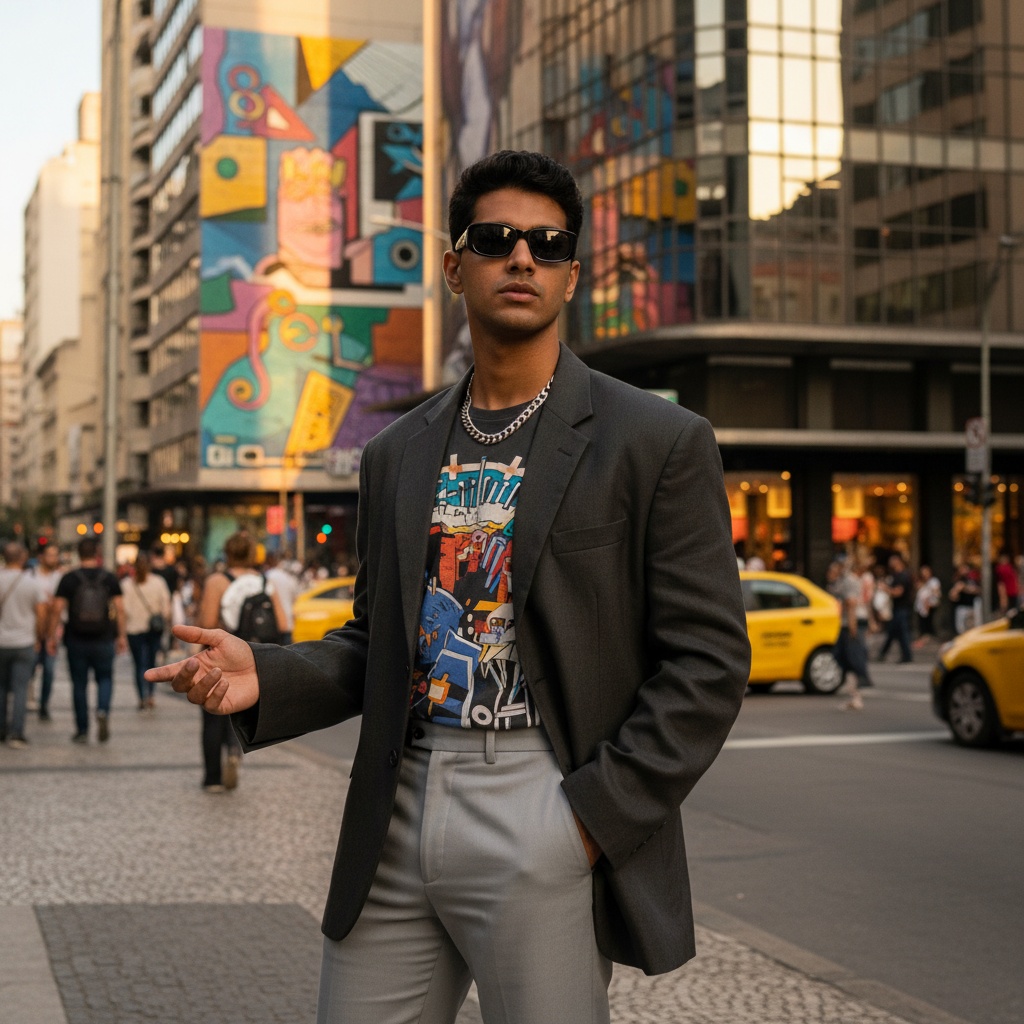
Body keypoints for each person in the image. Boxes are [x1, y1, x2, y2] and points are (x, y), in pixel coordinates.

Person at [148, 150, 750, 1024]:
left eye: (547, 245)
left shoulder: (655, 440)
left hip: (542, 806)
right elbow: (380, 640)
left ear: (571, 275)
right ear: (452, 264)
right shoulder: (397, 451)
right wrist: (266, 675)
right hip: (398, 803)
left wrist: (586, 821)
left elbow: (708, 663)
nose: (521, 258)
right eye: (496, 238)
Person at [193, 531, 287, 792]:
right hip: (252, 655)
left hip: (222, 655)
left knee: (212, 715)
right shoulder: (264, 582)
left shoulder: (217, 581)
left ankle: (212, 778)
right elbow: (281, 623)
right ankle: (234, 750)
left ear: (228, 552)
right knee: (239, 709)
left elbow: (207, 624)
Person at [49, 538, 127, 744]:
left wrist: (51, 637)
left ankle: (82, 729)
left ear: (78, 553)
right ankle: (102, 711)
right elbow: (119, 609)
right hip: (103, 638)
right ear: (97, 552)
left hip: (76, 639)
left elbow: (57, 609)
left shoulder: (69, 579)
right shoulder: (109, 577)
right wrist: (121, 636)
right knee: (105, 678)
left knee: (79, 684)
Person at [0, 542, 50, 747]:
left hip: (1, 642)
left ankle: (1, 730)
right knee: (21, 688)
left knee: (1, 688)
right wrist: (39, 637)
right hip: (24, 642)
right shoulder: (32, 583)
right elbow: (41, 614)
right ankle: (17, 733)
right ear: (22, 558)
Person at [121, 553, 173, 711]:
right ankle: (150, 694)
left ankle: (141, 697)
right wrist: (166, 622)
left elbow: (123, 610)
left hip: (134, 629)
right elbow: (166, 607)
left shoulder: (126, 584)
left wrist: (121, 633)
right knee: (151, 662)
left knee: (138, 664)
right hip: (153, 629)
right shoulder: (158, 582)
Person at [826, 558, 872, 711]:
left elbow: (851, 603)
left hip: (849, 626)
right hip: (848, 625)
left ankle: (857, 694)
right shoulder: (846, 581)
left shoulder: (850, 581)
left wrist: (852, 626)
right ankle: (854, 696)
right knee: (846, 660)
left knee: (851, 659)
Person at [29, 543, 63, 721]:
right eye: (50, 555)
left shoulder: (60, 577)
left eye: (55, 555)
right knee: (30, 668)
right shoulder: (30, 576)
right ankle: (28, 696)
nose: (53, 558)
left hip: (53, 631)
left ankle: (44, 704)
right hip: (32, 631)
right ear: (41, 556)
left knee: (49, 670)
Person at [877, 553, 913, 663]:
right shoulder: (895, 576)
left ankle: (904, 656)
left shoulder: (903, 576)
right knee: (895, 633)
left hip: (902, 609)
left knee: (900, 633)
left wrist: (885, 589)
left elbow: (898, 592)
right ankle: (903, 655)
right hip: (897, 608)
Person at [263, 550, 301, 645]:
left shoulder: (267, 576)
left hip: (273, 625)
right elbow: (295, 598)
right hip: (288, 623)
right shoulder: (288, 577)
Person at [912, 564, 942, 648]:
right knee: (922, 623)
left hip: (929, 605)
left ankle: (927, 639)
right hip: (921, 606)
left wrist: (928, 602)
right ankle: (924, 639)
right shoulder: (922, 582)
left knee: (927, 623)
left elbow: (936, 593)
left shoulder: (933, 581)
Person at [948, 562, 982, 634]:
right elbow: (952, 596)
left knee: (972, 627)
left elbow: (978, 590)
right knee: (961, 628)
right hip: (962, 607)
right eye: (963, 569)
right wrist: (957, 590)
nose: (965, 571)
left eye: (966, 569)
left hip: (972, 607)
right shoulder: (957, 580)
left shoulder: (971, 580)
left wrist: (966, 588)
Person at [994, 550, 1019, 615]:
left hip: (1011, 591)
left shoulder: (1006, 568)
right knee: (1011, 607)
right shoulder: (1003, 568)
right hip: (1008, 591)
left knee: (1012, 607)